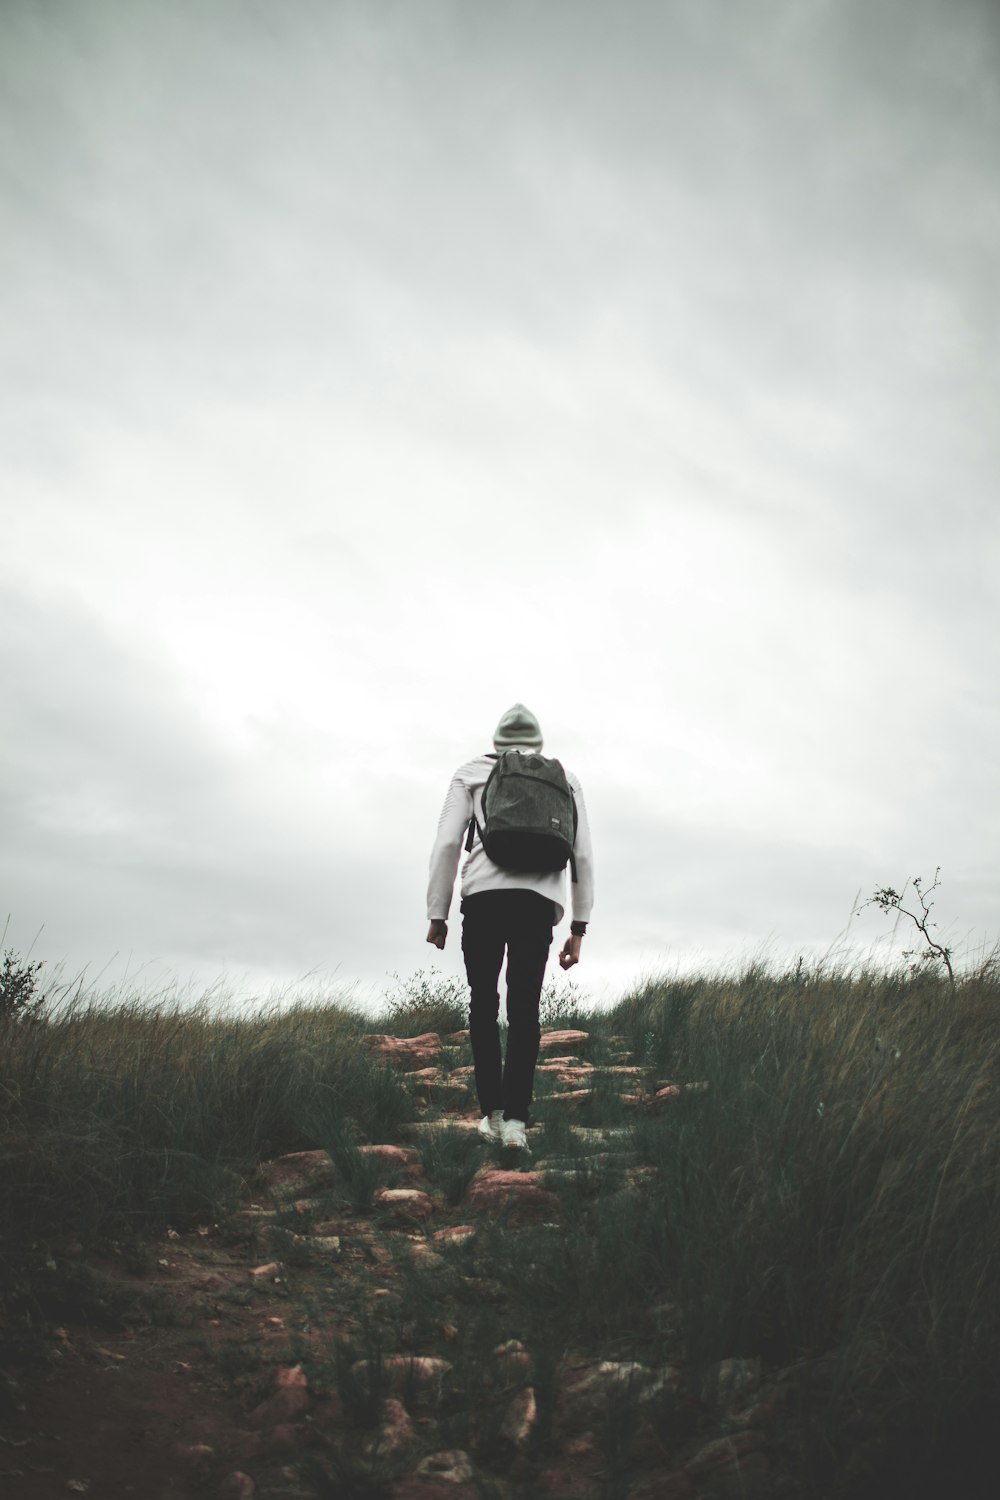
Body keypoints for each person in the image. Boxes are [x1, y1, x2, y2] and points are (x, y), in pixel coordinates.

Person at [425, 703, 594, 1152]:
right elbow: (583, 857)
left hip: (482, 898)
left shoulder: (471, 772)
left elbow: (446, 843)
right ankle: (518, 1122)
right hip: (538, 904)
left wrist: (437, 913)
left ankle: (493, 1115)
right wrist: (578, 927)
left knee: (483, 1004)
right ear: (538, 743)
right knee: (525, 1010)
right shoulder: (565, 779)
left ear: (497, 740)